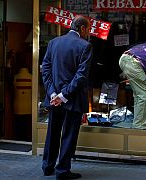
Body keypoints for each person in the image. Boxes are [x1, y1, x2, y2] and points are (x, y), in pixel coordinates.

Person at [41, 15, 92, 179]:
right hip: (72, 99)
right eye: (88, 29)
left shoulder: (53, 42)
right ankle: (62, 170)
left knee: (52, 133)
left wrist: (53, 93)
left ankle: (47, 167)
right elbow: (81, 76)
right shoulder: (85, 46)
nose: (88, 33)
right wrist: (63, 95)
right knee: (69, 135)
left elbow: (45, 70)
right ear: (82, 28)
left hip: (54, 98)